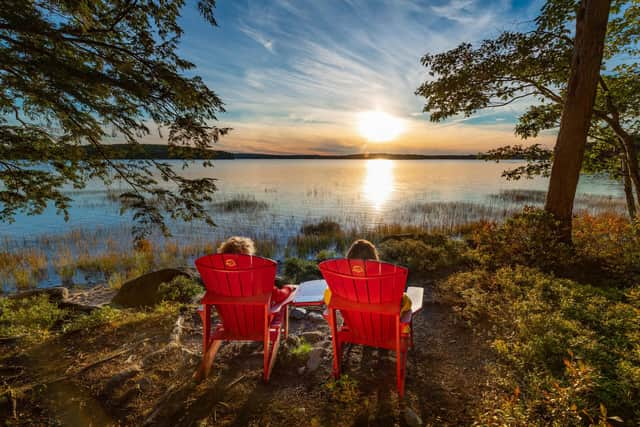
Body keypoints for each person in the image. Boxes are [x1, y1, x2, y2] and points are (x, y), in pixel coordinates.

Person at [323, 239, 412, 315]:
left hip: (354, 326)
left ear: (349, 258)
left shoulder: (343, 286)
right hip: (386, 327)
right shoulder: (384, 282)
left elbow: (328, 298)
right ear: (374, 258)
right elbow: (406, 303)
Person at [217, 236, 295, 304]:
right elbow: (278, 296)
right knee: (282, 303)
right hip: (257, 318)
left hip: (228, 318)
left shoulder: (219, 278)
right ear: (248, 256)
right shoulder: (256, 276)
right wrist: (289, 288)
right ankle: (276, 321)